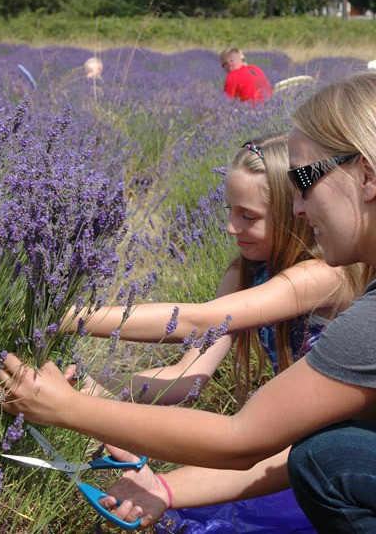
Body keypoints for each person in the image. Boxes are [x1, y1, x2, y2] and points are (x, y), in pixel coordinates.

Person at [0, 72, 376, 533]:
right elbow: (187, 378)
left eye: (304, 182)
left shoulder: (328, 282)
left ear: (367, 177)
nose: (298, 207)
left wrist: (65, 333)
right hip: (283, 457)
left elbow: (239, 424)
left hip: (293, 464)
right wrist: (96, 396)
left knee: (325, 459)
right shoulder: (246, 274)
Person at [62, 134, 360, 409]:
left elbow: (197, 321)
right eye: (230, 210)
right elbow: (187, 374)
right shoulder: (243, 274)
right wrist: (96, 386)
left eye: (248, 216)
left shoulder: (323, 275)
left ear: (290, 215)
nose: (231, 227)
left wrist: (70, 317)